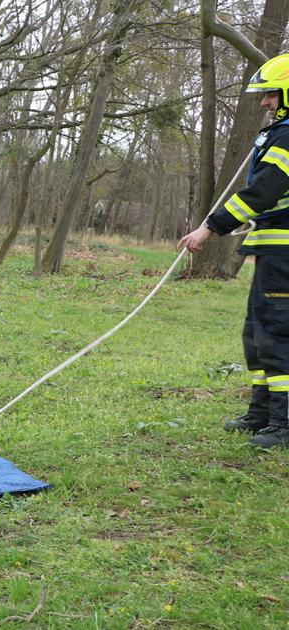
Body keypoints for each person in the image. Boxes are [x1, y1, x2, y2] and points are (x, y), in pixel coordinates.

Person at [179, 53, 289, 449]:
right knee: (256, 333)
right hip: (273, 254)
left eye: (271, 95)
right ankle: (262, 414)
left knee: (277, 334)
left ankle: (284, 424)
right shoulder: (279, 133)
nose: (265, 102)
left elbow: (263, 192)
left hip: (286, 256)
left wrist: (210, 228)